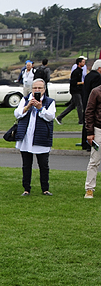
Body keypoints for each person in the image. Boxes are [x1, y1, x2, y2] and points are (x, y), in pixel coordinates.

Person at [14, 78, 56, 196]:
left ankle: (45, 188)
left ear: (44, 89)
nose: (37, 90)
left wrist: (40, 108)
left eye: (39, 88)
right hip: (26, 137)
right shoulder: (25, 99)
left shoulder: (50, 101)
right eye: (35, 88)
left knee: (43, 165)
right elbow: (17, 113)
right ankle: (26, 189)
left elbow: (50, 116)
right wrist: (27, 107)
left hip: (41, 137)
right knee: (26, 165)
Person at [83, 66, 101, 199]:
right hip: (98, 129)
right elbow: (89, 112)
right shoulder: (96, 92)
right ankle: (89, 188)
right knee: (94, 160)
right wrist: (90, 132)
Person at [57, 57, 86, 125]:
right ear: (79, 63)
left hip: (78, 90)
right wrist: (82, 83)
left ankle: (59, 117)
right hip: (75, 91)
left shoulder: (80, 71)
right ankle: (81, 121)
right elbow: (73, 82)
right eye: (83, 62)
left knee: (72, 106)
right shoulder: (76, 72)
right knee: (79, 105)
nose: (84, 63)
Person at [79, 59, 101, 150]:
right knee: (91, 122)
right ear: (99, 68)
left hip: (86, 100)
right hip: (93, 102)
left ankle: (84, 143)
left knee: (86, 122)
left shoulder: (88, 75)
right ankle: (89, 145)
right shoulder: (97, 77)